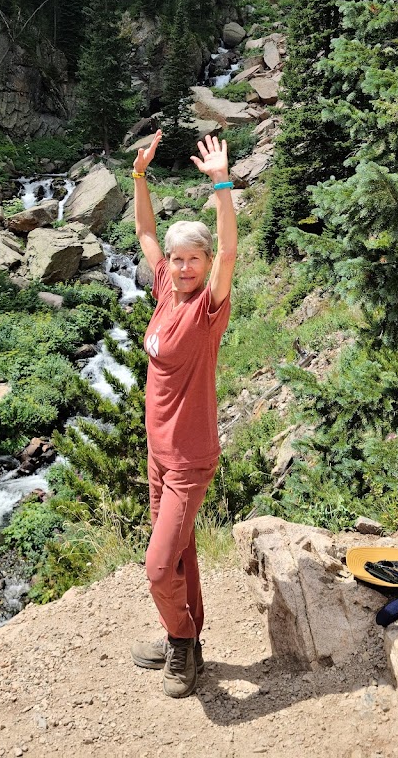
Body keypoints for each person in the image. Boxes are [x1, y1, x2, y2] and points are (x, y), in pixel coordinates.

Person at [129, 129, 237, 699]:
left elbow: (230, 253)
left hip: (190, 459)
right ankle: (188, 637)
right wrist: (139, 175)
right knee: (179, 553)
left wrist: (221, 184)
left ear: (205, 262)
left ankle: (179, 640)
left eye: (194, 259)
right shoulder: (165, 291)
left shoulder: (205, 310)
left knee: (156, 567)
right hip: (158, 455)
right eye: (178, 260)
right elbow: (145, 232)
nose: (185, 267)